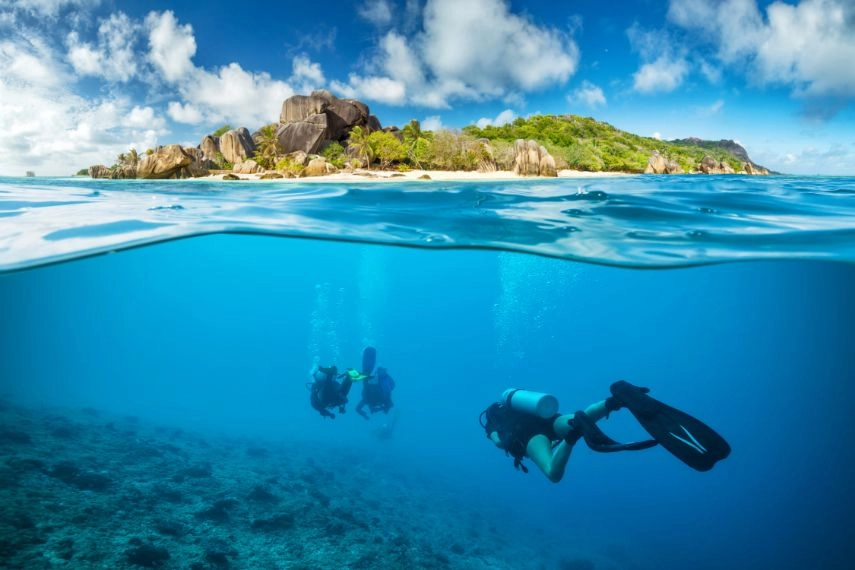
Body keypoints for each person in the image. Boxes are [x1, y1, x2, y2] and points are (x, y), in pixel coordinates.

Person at [480, 381, 730, 482]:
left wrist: (500, 438)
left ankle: (572, 436)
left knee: (553, 473)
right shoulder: (517, 402)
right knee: (577, 419)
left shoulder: (492, 421)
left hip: (530, 435)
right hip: (549, 418)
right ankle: (613, 402)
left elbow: (500, 444)